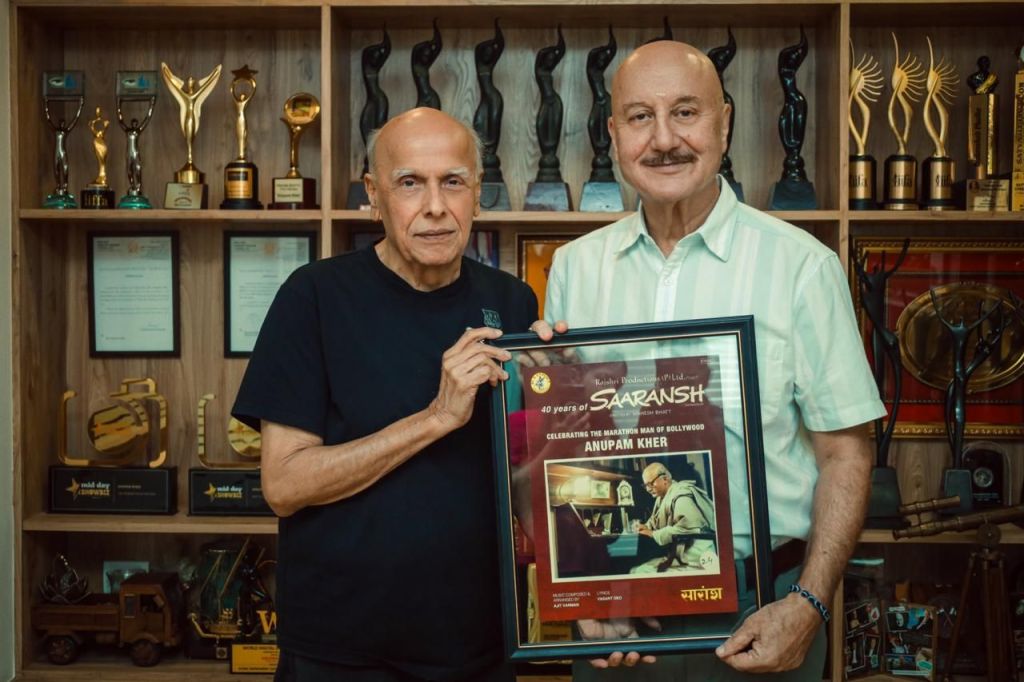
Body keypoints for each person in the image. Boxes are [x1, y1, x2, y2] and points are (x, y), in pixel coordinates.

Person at [532, 40, 885, 680]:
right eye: (640, 117)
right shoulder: (574, 269)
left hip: (764, 608)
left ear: (724, 123)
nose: (664, 139)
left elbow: (847, 453)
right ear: (613, 135)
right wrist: (582, 590)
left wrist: (808, 605)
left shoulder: (802, 266)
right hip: (619, 608)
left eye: (686, 112)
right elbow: (568, 450)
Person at [232, 107, 538, 682]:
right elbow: (284, 486)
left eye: (453, 181)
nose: (435, 207)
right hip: (342, 650)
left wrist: (592, 586)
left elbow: (522, 470)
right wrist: (436, 417)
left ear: (479, 192)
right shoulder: (313, 297)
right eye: (410, 183)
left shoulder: (513, 301)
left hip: (479, 643)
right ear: (374, 195)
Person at [633, 463, 717, 575]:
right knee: (636, 570)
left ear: (665, 479)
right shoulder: (661, 497)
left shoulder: (681, 494)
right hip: (680, 554)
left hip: (697, 556)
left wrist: (653, 534)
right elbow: (654, 521)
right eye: (645, 485)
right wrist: (645, 527)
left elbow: (687, 528)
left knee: (640, 572)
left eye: (651, 483)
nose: (648, 489)